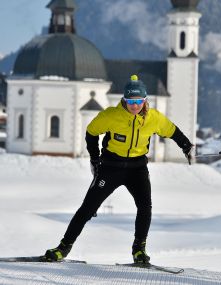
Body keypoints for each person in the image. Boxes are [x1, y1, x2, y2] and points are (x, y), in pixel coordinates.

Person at [44, 75, 193, 263]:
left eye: (139, 101)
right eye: (131, 101)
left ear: (144, 100)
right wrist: (95, 158)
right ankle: (63, 247)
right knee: (88, 208)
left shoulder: (153, 118)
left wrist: (186, 146)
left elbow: (172, 131)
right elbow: (91, 132)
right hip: (111, 168)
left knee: (145, 207)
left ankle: (139, 249)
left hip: (137, 169)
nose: (135, 106)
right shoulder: (111, 115)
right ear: (124, 99)